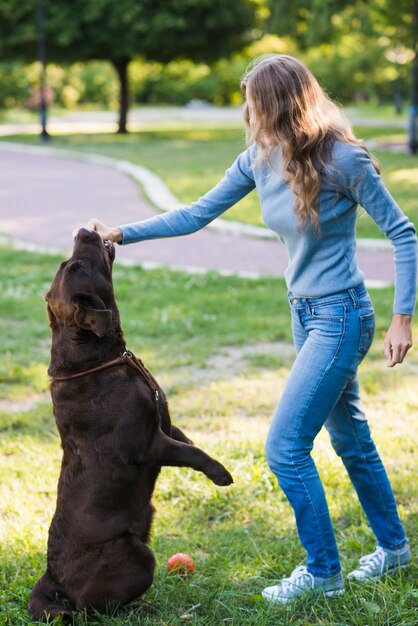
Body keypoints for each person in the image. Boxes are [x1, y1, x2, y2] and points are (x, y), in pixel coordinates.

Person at [79, 54, 416, 603]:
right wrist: (121, 232)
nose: (245, 110)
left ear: (278, 104)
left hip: (342, 315)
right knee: (351, 438)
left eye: (251, 100)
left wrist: (403, 317)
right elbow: (195, 213)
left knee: (285, 447)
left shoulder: (345, 160)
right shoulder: (260, 158)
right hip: (304, 315)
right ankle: (394, 549)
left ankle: (323, 571)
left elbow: (405, 234)